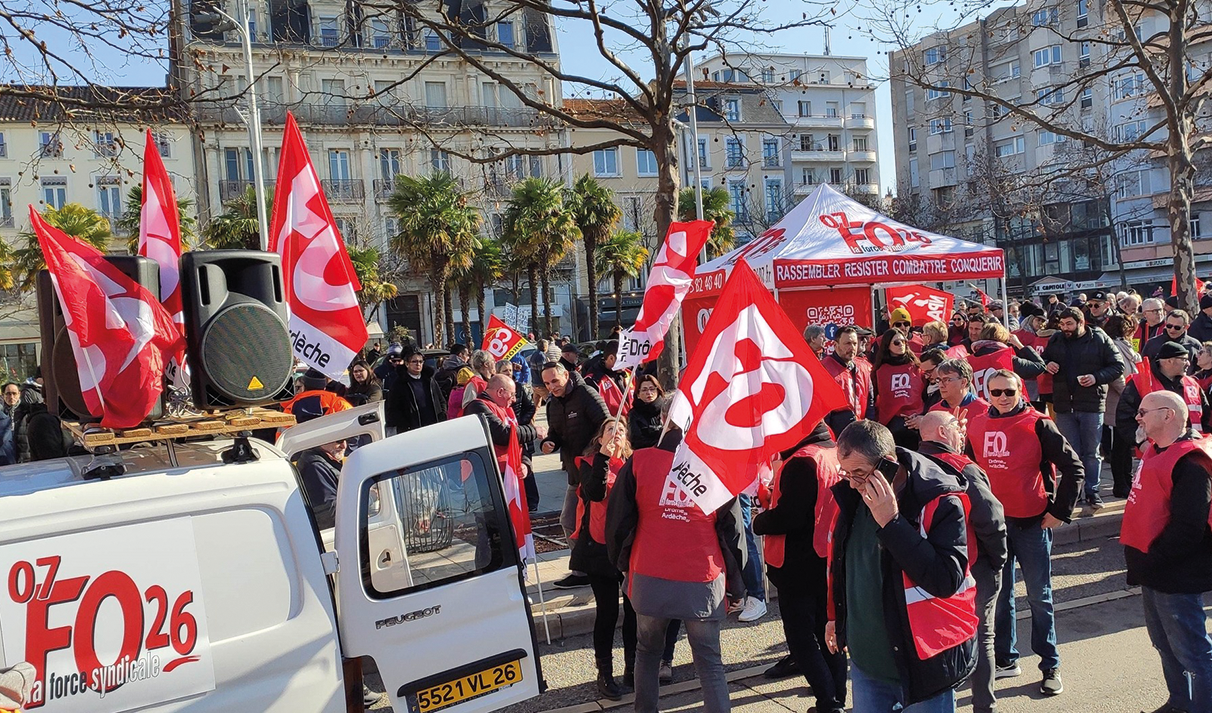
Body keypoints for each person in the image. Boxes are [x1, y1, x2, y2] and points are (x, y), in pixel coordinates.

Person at [827, 420, 976, 712]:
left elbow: (945, 579)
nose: (852, 483)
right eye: (846, 472)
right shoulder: (852, 495)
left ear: (888, 464)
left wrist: (891, 523)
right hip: (867, 662)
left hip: (923, 662)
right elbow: (845, 565)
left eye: (859, 473)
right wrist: (836, 618)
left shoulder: (940, 499)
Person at [605, 421, 746, 713]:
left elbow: (618, 523)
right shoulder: (717, 467)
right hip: (701, 577)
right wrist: (737, 585)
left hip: (650, 572)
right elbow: (732, 534)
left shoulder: (640, 461)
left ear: (665, 422)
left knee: (647, 652)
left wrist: (623, 565)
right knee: (709, 661)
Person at [965, 370, 1084, 696]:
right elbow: (970, 471)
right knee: (999, 596)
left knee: (1038, 597)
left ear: (1020, 391)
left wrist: (1060, 511)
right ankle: (1006, 658)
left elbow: (1074, 467)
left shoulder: (1038, 423)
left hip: (1032, 523)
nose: (1002, 398)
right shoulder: (976, 424)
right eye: (996, 392)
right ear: (987, 393)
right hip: (994, 526)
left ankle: (1050, 664)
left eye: (1008, 391)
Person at [1123, 390, 1212, 713]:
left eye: (1143, 412)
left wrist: (1153, 560)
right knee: (1165, 645)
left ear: (1168, 415)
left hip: (1174, 575)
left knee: (1193, 653)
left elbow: (1189, 528)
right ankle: (1179, 703)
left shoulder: (1190, 464)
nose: (1138, 417)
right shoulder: (1156, 451)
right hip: (1154, 571)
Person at [752, 421, 847, 713]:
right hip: (828, 555)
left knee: (802, 638)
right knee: (828, 632)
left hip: (798, 562)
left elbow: (790, 516)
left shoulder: (802, 461)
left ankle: (828, 702)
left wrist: (759, 521)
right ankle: (836, 697)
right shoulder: (832, 452)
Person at [917, 411, 1007, 713]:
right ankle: (984, 706)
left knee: (938, 639)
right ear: (944, 433)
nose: (962, 432)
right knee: (981, 635)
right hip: (971, 565)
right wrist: (998, 559)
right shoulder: (963, 467)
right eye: (957, 427)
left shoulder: (912, 465)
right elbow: (991, 519)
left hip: (927, 568)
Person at [573, 419, 637, 700]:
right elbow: (595, 492)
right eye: (610, 429)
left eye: (620, 430)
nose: (616, 433)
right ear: (600, 438)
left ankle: (633, 669)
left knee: (634, 612)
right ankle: (605, 674)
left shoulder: (633, 464)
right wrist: (603, 458)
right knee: (608, 613)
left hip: (630, 547)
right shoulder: (589, 463)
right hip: (599, 548)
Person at [1042, 307, 1125, 509]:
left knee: (1091, 452)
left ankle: (1092, 491)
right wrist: (1048, 364)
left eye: (1069, 324)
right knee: (1071, 452)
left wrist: (1096, 377)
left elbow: (1117, 366)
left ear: (1081, 323)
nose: (1065, 328)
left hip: (1091, 403)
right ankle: (1075, 491)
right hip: (1064, 404)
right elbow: (1043, 359)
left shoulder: (1099, 339)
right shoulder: (1056, 339)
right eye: (1062, 324)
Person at [541, 362, 609, 589]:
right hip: (574, 473)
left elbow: (607, 424)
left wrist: (596, 454)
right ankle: (582, 571)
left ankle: (606, 569)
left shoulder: (585, 394)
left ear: (566, 375)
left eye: (555, 381)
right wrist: (549, 442)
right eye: (547, 383)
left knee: (598, 524)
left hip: (595, 472)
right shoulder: (552, 403)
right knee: (569, 520)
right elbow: (555, 432)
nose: (552, 387)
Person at [1117, 340, 1212, 445]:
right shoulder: (1140, 382)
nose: (1188, 363)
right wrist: (1141, 444)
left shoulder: (1192, 385)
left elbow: (1206, 417)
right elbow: (1124, 418)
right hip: (1154, 450)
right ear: (1169, 361)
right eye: (1184, 359)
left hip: (1191, 448)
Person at [1104, 314, 1142, 498]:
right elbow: (1116, 374)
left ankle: (1126, 480)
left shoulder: (1125, 346)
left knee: (1125, 445)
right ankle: (1121, 483)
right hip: (1120, 401)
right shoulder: (1113, 346)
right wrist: (1129, 393)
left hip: (1128, 400)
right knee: (1120, 446)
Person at [870, 329, 925, 449]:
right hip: (891, 422)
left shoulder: (916, 366)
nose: (901, 345)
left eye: (903, 341)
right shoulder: (880, 370)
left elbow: (924, 393)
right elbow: (873, 397)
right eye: (896, 342)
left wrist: (922, 416)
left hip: (916, 419)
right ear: (887, 346)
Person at [967, 322, 1046, 401]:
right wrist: (1019, 345)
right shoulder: (1008, 359)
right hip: (1006, 404)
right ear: (1003, 339)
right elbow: (1040, 366)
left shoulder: (969, 361)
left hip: (980, 405)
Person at [821, 326, 874, 437]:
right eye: (847, 343)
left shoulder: (863, 367)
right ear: (836, 345)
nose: (852, 347)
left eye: (854, 343)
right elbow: (822, 407)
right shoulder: (824, 368)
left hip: (860, 426)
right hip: (836, 428)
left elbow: (870, 400)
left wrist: (869, 426)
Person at [385, 350, 446, 433]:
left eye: (421, 361)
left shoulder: (429, 380)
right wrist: (404, 425)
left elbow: (441, 400)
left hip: (434, 426)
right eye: (414, 361)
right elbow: (393, 410)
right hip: (412, 430)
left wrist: (442, 414)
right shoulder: (399, 384)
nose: (418, 364)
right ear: (407, 364)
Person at [297, 438, 346, 529]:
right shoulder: (315, 468)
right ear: (323, 440)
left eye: (345, 440)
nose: (344, 446)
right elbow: (328, 512)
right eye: (339, 441)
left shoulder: (324, 462)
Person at [930, 358, 988, 424]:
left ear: (963, 382)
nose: (941, 385)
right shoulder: (934, 412)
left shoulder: (984, 410)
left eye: (947, 380)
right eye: (939, 380)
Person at [282, 369, 352, 422]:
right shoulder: (339, 404)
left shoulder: (290, 408)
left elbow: (282, 434)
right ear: (324, 387)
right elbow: (353, 426)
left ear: (304, 387)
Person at [629, 375, 665, 449]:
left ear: (658, 391)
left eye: (652, 389)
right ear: (638, 394)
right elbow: (636, 441)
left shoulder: (666, 409)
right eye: (644, 390)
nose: (649, 393)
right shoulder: (634, 414)